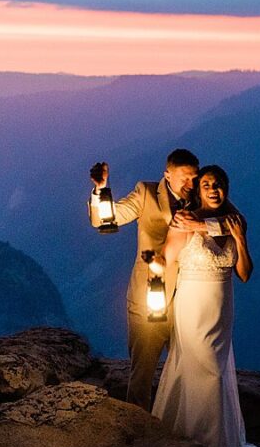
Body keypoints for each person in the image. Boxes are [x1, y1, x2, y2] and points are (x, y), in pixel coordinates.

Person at [150, 164, 260, 447]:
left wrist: (239, 240)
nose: (214, 190)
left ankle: (220, 440)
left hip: (222, 306)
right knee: (204, 370)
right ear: (199, 190)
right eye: (207, 185)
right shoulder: (184, 222)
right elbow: (167, 258)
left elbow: (245, 274)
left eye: (219, 185)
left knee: (219, 370)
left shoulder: (235, 222)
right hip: (192, 304)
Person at [86, 148, 212, 411]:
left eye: (194, 178)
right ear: (167, 175)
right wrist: (101, 189)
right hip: (149, 299)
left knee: (191, 369)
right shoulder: (146, 193)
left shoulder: (204, 198)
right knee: (142, 371)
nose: (191, 184)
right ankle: (139, 430)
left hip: (190, 300)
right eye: (184, 178)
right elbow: (107, 220)